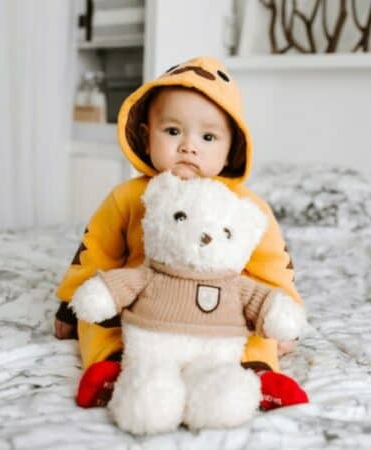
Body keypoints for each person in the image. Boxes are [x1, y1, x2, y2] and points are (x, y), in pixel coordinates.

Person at [53, 56, 307, 410]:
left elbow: (273, 266)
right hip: (142, 309)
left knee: (254, 329)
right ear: (146, 135)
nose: (189, 146)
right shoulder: (128, 196)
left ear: (231, 147)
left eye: (208, 136)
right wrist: (70, 303)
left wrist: (284, 317)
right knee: (95, 322)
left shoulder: (246, 207)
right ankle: (112, 367)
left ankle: (256, 373)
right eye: (173, 131)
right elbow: (95, 250)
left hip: (222, 314)